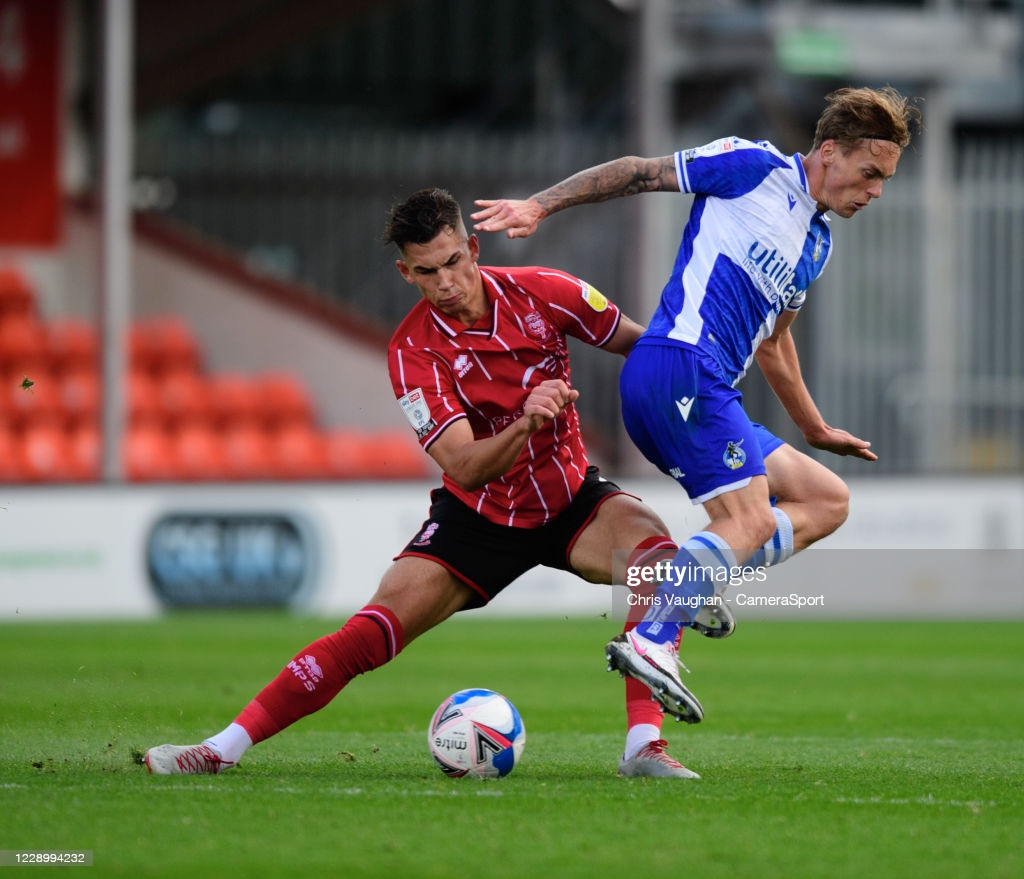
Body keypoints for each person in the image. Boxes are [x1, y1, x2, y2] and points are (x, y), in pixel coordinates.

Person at [144, 187, 731, 781]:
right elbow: (466, 467)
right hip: (477, 519)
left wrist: (708, 418)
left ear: (473, 248)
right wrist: (528, 419)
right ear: (406, 272)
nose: (446, 282)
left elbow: (649, 350)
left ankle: (642, 748)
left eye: (453, 262)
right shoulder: (412, 352)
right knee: (368, 634)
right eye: (427, 272)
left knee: (659, 561)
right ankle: (219, 749)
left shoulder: (548, 291)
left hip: (571, 501)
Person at [473, 86, 922, 716]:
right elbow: (639, 173)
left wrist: (813, 426)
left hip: (705, 388)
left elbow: (775, 343)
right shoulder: (753, 166)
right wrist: (540, 206)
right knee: (753, 520)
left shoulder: (816, 244)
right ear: (828, 152)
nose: (876, 191)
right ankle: (655, 634)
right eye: (870, 173)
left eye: (886, 179)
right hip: (679, 368)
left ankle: (696, 578)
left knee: (826, 499)